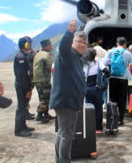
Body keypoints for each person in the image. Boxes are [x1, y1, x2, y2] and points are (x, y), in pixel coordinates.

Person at [50, 19, 87, 163]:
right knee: (67, 134)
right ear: (73, 42)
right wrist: (69, 32)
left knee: (62, 132)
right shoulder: (68, 54)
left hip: (67, 100)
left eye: (84, 43)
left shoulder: (76, 57)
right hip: (67, 101)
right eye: (79, 41)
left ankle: (60, 160)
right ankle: (64, 160)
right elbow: (64, 46)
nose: (82, 45)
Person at [104, 37, 132, 126]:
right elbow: (131, 66)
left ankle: (113, 118)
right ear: (125, 44)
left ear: (117, 44)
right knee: (122, 99)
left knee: (113, 98)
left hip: (112, 78)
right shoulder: (128, 53)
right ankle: (121, 119)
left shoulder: (110, 52)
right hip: (123, 79)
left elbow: (105, 64)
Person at [13, 36, 36, 137]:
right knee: (21, 108)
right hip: (22, 86)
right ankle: (19, 130)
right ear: (25, 45)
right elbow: (22, 76)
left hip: (24, 85)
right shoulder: (21, 57)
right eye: (29, 43)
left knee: (24, 106)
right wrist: (27, 89)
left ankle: (23, 126)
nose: (30, 45)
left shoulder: (23, 55)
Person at [83, 47, 106, 133]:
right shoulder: (98, 63)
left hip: (87, 88)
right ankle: (98, 128)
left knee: (88, 108)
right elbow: (106, 71)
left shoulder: (83, 64)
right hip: (97, 88)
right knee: (98, 108)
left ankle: (89, 126)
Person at [33, 39, 55, 123]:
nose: (51, 47)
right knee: (44, 98)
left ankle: (46, 114)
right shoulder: (46, 55)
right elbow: (52, 66)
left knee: (44, 97)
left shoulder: (38, 53)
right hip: (44, 80)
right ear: (45, 46)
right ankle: (39, 115)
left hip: (38, 80)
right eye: (50, 45)